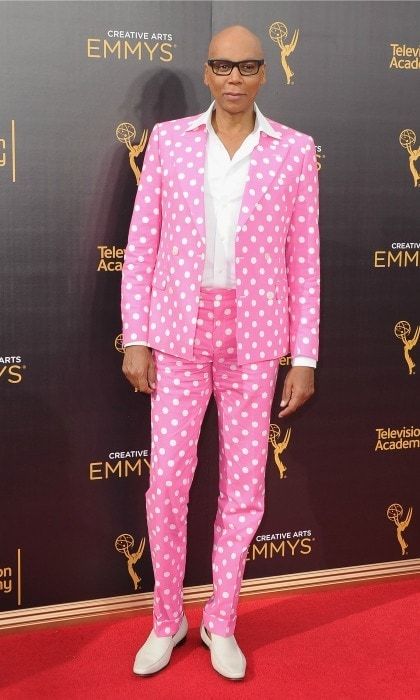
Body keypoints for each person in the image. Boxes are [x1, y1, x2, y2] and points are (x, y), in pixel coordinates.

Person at [121, 25, 320, 680]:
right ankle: (167, 617)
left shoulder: (294, 151)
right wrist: (138, 337)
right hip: (176, 338)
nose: (234, 77)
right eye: (221, 65)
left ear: (265, 74)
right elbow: (140, 247)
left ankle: (222, 620)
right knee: (166, 486)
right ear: (207, 73)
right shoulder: (170, 143)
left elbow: (304, 261)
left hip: (256, 342)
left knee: (244, 489)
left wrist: (305, 356)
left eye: (247, 66)